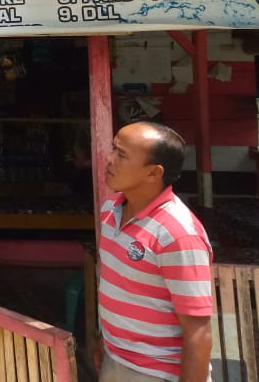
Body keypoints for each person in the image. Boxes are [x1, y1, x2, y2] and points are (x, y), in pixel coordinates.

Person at [94, 121, 213, 382]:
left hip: (157, 373)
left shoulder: (177, 234)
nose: (109, 159)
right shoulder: (109, 210)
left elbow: (198, 332)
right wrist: (101, 336)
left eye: (121, 155)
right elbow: (114, 284)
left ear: (153, 173)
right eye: (114, 149)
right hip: (115, 359)